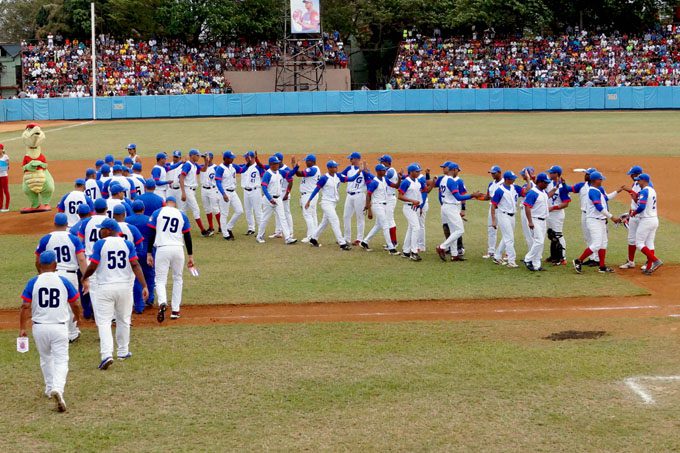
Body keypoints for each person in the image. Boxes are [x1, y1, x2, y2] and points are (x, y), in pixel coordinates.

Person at [19, 250, 82, 412]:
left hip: (39, 327)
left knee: (46, 357)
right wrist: (78, 317)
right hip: (59, 326)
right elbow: (75, 303)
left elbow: (25, 306)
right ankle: (58, 389)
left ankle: (49, 388)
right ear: (55, 265)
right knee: (61, 360)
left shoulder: (33, 282)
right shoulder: (63, 281)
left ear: (39, 265)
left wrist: (22, 328)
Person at [82, 218, 147, 369]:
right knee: (124, 319)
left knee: (104, 322)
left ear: (109, 230)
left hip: (105, 287)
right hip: (124, 287)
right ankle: (123, 351)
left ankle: (106, 355)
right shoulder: (127, 244)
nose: (99, 231)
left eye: (102, 229)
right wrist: (144, 285)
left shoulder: (101, 244)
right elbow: (135, 264)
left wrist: (84, 276)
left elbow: (93, 265)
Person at [35, 213, 87, 342]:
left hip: (51, 274)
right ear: (66, 224)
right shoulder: (73, 238)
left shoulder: (46, 239)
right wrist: (85, 277)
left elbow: (38, 259)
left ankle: (56, 330)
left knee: (54, 303)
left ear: (54, 223)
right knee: (71, 303)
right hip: (70, 274)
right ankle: (72, 333)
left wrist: (40, 274)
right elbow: (81, 259)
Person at [146, 196, 194, 322]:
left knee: (160, 280)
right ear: (175, 204)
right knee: (178, 278)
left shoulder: (158, 212)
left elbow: (151, 233)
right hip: (178, 249)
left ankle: (162, 302)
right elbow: (187, 235)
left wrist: (149, 252)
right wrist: (190, 255)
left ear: (165, 203)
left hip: (162, 248)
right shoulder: (181, 214)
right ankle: (175, 310)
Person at [572, 172, 621, 274]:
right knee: (596, 244)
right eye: (600, 179)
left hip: (601, 221)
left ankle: (602, 267)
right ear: (594, 180)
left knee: (603, 244)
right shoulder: (593, 191)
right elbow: (598, 207)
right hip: (594, 221)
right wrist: (612, 217)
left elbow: (605, 201)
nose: (602, 180)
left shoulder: (598, 190)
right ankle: (578, 261)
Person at [305, 160, 358, 250]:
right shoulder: (324, 178)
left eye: (336, 166)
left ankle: (313, 238)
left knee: (324, 223)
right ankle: (342, 243)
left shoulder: (338, 176)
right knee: (335, 220)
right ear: (329, 168)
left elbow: (351, 179)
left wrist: (359, 171)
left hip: (333, 203)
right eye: (335, 167)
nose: (337, 168)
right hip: (326, 203)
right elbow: (316, 189)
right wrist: (309, 200)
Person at [435, 162, 482, 262]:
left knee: (453, 231)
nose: (458, 172)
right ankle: (442, 247)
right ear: (454, 170)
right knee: (460, 230)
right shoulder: (450, 181)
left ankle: (454, 254)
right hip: (451, 207)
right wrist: (472, 195)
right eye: (457, 170)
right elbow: (458, 197)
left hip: (446, 206)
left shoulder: (443, 179)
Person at [256, 156, 297, 244]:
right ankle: (259, 236)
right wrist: (270, 199)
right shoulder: (268, 174)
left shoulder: (279, 172)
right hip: (268, 199)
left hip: (278, 199)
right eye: (276, 163)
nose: (278, 165)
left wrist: (296, 166)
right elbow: (264, 187)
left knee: (282, 218)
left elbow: (290, 174)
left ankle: (288, 238)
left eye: (278, 163)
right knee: (265, 218)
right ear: (271, 164)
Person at [361, 164, 400, 255]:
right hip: (377, 205)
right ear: (378, 171)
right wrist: (369, 210)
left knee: (378, 225)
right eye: (383, 170)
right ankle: (391, 248)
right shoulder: (374, 182)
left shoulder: (384, 179)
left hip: (384, 205)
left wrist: (399, 178)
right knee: (386, 225)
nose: (385, 171)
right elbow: (368, 195)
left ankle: (365, 242)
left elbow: (396, 186)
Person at [490, 171, 525, 268]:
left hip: (512, 216)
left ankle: (497, 256)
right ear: (507, 179)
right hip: (503, 215)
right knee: (510, 238)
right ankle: (511, 260)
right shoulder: (499, 190)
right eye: (513, 178)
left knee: (507, 237)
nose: (514, 179)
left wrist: (529, 179)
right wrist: (493, 220)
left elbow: (526, 192)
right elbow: (493, 206)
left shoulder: (515, 187)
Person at [630, 174, 663, 274]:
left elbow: (642, 206)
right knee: (649, 244)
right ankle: (649, 268)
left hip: (646, 220)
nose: (637, 182)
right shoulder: (652, 190)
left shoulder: (645, 191)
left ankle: (655, 260)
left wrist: (634, 213)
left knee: (639, 243)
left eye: (639, 181)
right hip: (654, 219)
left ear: (644, 181)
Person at [127, 200, 155, 310]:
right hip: (148, 251)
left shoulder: (127, 220)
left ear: (132, 209)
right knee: (149, 275)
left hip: (134, 252)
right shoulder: (149, 219)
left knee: (136, 277)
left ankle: (138, 305)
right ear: (143, 209)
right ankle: (150, 299)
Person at [398, 163, 428, 261]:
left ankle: (406, 251)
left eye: (419, 171)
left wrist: (431, 183)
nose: (419, 173)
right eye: (417, 171)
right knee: (416, 227)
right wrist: (412, 201)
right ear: (411, 172)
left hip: (416, 208)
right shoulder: (406, 182)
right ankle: (414, 252)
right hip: (408, 208)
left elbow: (425, 191)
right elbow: (400, 196)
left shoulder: (418, 182)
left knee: (411, 228)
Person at [214, 151, 246, 240]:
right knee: (224, 214)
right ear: (225, 158)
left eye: (233, 157)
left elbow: (242, 170)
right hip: (224, 192)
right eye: (231, 158)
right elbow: (218, 182)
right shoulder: (220, 168)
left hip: (233, 192)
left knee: (239, 210)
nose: (232, 159)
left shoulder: (233, 166)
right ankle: (225, 234)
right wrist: (223, 194)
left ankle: (228, 227)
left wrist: (248, 163)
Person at [522, 173, 550, 271]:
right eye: (546, 183)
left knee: (540, 243)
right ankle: (528, 259)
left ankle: (537, 265)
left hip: (543, 221)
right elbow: (527, 206)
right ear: (540, 182)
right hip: (535, 220)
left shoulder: (543, 192)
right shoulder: (533, 192)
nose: (547, 184)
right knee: (539, 241)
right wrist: (530, 221)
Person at [179, 149, 209, 236]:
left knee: (183, 210)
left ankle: (179, 228)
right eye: (197, 155)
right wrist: (183, 192)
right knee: (196, 210)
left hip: (192, 191)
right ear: (192, 155)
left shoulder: (194, 165)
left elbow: (203, 170)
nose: (199, 157)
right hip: (188, 190)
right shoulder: (188, 165)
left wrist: (206, 161)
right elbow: (181, 178)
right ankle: (203, 231)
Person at [619, 165, 644, 269]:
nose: (630, 176)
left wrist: (628, 190)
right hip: (634, 214)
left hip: (642, 216)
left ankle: (650, 261)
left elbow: (638, 200)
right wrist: (630, 214)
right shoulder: (635, 183)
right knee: (631, 239)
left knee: (644, 240)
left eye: (632, 174)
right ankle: (631, 262)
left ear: (636, 174)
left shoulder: (645, 185)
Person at [545, 165, 571, 266]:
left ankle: (562, 258)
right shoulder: (549, 183)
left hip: (557, 215)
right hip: (549, 214)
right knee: (551, 235)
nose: (549, 174)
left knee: (558, 235)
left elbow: (566, 203)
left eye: (551, 173)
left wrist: (552, 208)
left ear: (556, 174)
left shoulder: (562, 187)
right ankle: (554, 256)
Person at [341, 152, 367, 246]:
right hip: (349, 195)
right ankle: (346, 238)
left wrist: (369, 201)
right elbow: (340, 177)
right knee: (346, 216)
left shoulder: (364, 170)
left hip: (359, 196)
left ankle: (359, 239)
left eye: (351, 159)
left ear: (356, 159)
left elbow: (370, 182)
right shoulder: (349, 168)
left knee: (360, 217)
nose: (350, 160)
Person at [294, 154, 321, 243]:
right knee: (313, 215)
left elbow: (298, 174)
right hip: (310, 194)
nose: (305, 162)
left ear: (311, 161)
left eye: (307, 161)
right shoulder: (315, 169)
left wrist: (295, 165)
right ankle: (315, 234)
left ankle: (311, 236)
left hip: (309, 195)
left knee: (308, 215)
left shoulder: (312, 169)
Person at [482, 165, 503, 259]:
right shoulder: (491, 184)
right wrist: (476, 197)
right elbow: (487, 197)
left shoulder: (505, 183)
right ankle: (491, 251)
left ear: (499, 172)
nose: (492, 175)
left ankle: (506, 253)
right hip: (492, 208)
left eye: (494, 173)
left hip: (502, 209)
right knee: (491, 229)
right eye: (491, 173)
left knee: (505, 231)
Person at [379, 155, 399, 249]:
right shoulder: (389, 170)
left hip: (390, 198)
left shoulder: (390, 171)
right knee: (387, 220)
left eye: (382, 162)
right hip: (387, 198)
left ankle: (394, 243)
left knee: (390, 220)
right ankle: (391, 242)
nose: (380, 164)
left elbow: (384, 179)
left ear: (387, 163)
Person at [241, 151, 264, 236]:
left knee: (258, 211)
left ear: (251, 158)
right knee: (248, 211)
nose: (245, 159)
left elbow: (264, 177)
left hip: (255, 191)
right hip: (245, 191)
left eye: (246, 157)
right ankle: (251, 228)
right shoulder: (245, 167)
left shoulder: (258, 167)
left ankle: (261, 231)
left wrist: (264, 191)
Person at [199, 153, 219, 235]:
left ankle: (221, 226)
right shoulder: (202, 167)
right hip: (203, 189)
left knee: (215, 208)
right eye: (204, 157)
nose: (205, 159)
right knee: (207, 209)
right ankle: (211, 227)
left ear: (212, 158)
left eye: (207, 157)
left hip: (213, 190)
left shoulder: (216, 167)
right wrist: (206, 162)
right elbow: (203, 169)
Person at [0, 143, 10, 212]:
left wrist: (3, 166)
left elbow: (7, 168)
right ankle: (0, 207)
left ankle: (6, 207)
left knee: (6, 191)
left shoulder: (5, 157)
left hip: (4, 176)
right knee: (0, 192)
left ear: (2, 149)